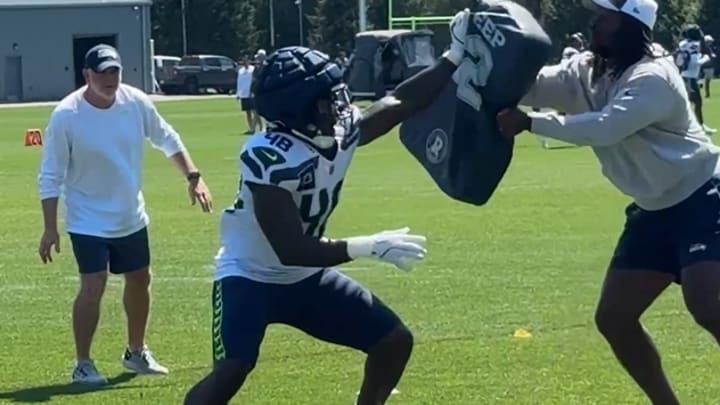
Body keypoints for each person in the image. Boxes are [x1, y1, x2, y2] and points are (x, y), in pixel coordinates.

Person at [183, 10, 472, 405]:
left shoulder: (333, 132)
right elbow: (292, 248)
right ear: (299, 108)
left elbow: (401, 102)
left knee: (393, 341)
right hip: (250, 276)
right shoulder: (268, 156)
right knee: (234, 367)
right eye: (327, 97)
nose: (340, 102)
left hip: (304, 277)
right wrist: (368, 246)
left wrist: (453, 57)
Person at [497, 1, 720, 404]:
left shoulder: (655, 76)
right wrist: (485, 67)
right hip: (652, 209)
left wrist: (531, 122)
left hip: (702, 197)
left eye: (605, 16)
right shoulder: (584, 69)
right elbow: (532, 86)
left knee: (708, 305)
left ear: (631, 23)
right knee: (615, 318)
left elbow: (608, 127)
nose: (595, 22)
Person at [37, 44, 213, 385]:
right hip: (87, 218)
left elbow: (166, 137)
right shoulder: (66, 116)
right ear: (86, 75)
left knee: (140, 279)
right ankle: (83, 364)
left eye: (114, 71)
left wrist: (193, 176)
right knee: (93, 284)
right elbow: (50, 175)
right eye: (101, 73)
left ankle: (136, 352)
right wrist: (49, 228)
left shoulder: (135, 101)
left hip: (130, 215)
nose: (109, 79)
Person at [676, 24, 716, 134]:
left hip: (684, 76)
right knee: (696, 102)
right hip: (690, 77)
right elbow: (697, 60)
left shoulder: (683, 44)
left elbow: (680, 59)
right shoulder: (695, 44)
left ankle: (694, 125)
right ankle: (699, 126)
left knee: (689, 102)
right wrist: (705, 59)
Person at [235, 56, 257, 134]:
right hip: (244, 94)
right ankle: (250, 128)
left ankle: (254, 127)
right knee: (248, 112)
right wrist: (238, 93)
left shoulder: (253, 69)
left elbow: (254, 81)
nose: (245, 62)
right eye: (243, 61)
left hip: (251, 93)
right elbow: (239, 82)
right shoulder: (241, 71)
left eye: (246, 61)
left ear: (249, 61)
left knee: (255, 111)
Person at [702, 34, 716, 99]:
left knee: (708, 80)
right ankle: (707, 93)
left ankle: (707, 93)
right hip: (706, 66)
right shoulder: (704, 48)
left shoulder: (709, 48)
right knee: (707, 80)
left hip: (709, 66)